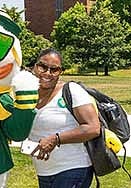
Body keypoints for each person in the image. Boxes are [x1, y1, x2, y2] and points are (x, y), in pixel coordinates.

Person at [27, 48, 100, 188]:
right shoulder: (28, 94)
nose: (48, 73)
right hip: (44, 171)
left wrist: (56, 139)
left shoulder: (71, 90)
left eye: (54, 70)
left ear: (60, 72)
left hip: (73, 168)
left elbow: (93, 128)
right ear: (35, 66)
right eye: (43, 67)